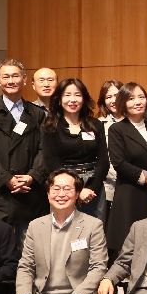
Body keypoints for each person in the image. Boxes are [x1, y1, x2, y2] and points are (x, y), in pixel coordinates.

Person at [0, 59, 48, 228]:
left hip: (30, 189)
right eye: (6, 77)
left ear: (24, 79)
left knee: (30, 239)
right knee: (0, 239)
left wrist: (32, 176)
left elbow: (44, 149)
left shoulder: (37, 113)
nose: (11, 81)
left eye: (15, 76)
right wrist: (6, 178)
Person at [105, 82, 147, 258]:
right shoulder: (117, 129)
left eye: (141, 97)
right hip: (131, 193)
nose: (138, 102)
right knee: (130, 247)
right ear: (123, 102)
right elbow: (119, 163)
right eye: (131, 98)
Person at [40, 77, 108, 220]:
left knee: (94, 228)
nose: (73, 100)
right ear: (59, 99)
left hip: (93, 187)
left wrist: (91, 188)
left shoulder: (95, 124)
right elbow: (51, 162)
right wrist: (76, 189)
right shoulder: (50, 126)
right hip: (63, 186)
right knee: (65, 227)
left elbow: (103, 161)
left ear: (84, 99)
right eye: (67, 95)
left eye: (77, 95)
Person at [97, 79, 124, 213]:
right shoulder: (97, 124)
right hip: (107, 187)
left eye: (117, 95)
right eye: (108, 97)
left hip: (133, 185)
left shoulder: (137, 121)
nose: (113, 100)